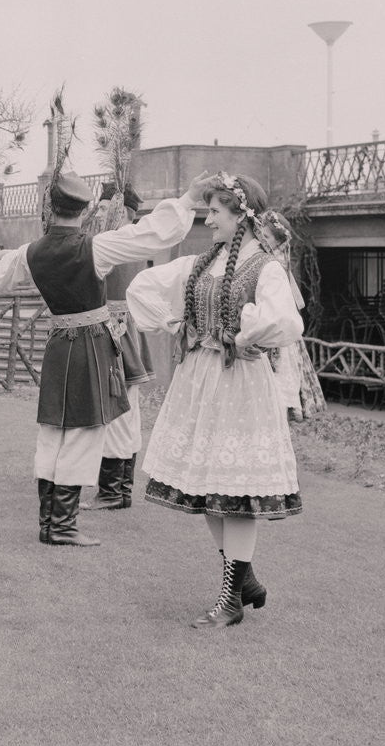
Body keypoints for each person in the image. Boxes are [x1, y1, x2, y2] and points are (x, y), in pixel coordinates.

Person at [0, 169, 211, 547]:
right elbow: (150, 235)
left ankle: (50, 522)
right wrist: (188, 199)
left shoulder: (29, 253)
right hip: (90, 345)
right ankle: (61, 526)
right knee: (83, 431)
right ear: (84, 211)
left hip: (57, 343)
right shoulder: (94, 247)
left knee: (53, 430)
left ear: (50, 208)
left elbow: (4, 278)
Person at [126, 173, 303, 629]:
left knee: (236, 492)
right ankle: (242, 581)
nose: (208, 220)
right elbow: (141, 288)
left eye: (216, 212)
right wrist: (172, 322)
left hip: (241, 385)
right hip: (201, 382)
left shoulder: (264, 267)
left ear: (240, 214)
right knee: (209, 491)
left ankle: (231, 598)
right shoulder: (202, 263)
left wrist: (246, 334)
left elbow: (285, 320)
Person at [81, 182, 157, 512]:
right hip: (126, 331)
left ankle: (112, 491)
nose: (98, 214)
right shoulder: (132, 241)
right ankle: (121, 490)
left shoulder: (117, 243)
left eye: (103, 208)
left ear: (121, 211)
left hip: (114, 332)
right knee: (127, 413)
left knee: (116, 413)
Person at [259, 209, 327, 421]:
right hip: (274, 323)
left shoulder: (274, 264)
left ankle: (285, 407)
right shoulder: (270, 259)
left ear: (278, 241)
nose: (262, 239)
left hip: (277, 324)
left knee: (280, 369)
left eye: (267, 236)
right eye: (261, 234)